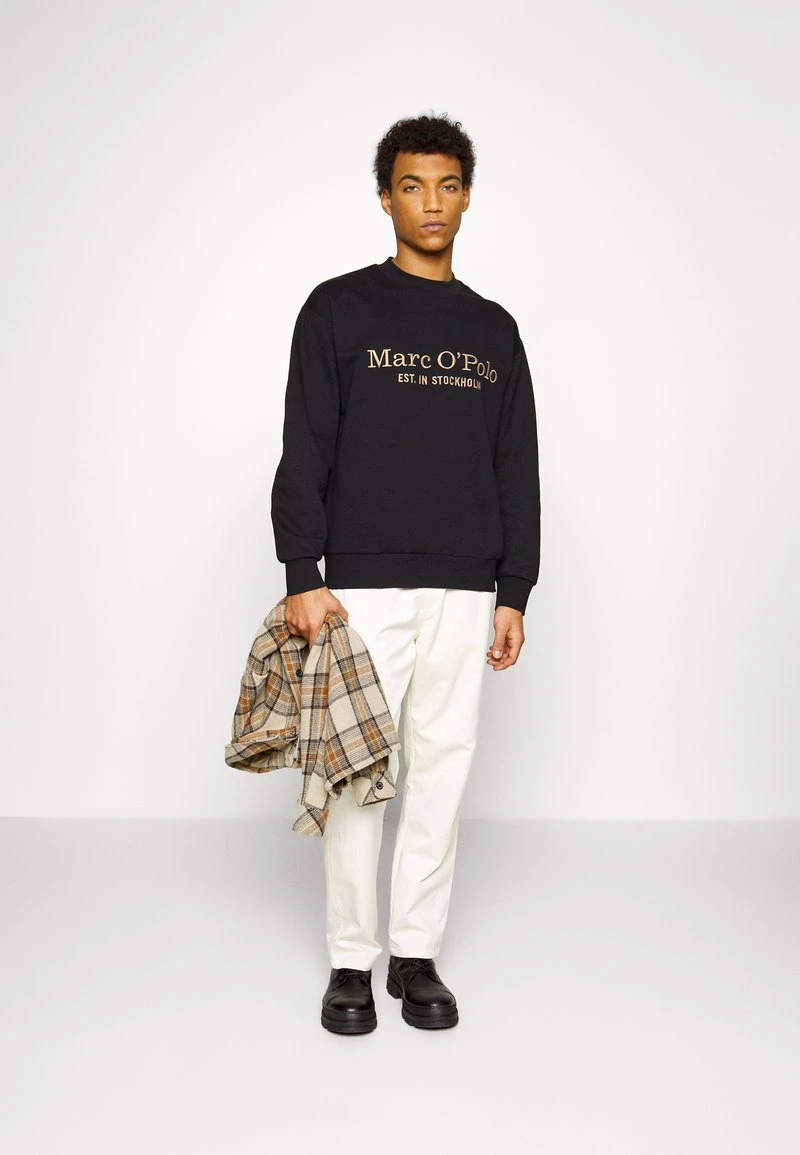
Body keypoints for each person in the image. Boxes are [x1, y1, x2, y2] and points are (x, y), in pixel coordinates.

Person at [270, 112, 541, 1034]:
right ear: (385, 198)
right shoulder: (338, 310)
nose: (432, 203)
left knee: (443, 770)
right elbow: (305, 445)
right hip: (360, 585)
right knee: (358, 772)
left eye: (448, 186)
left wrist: (515, 589)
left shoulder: (494, 331)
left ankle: (414, 953)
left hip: (467, 586)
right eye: (413, 185)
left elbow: (515, 466)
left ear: (467, 198)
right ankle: (351, 959)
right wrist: (302, 570)